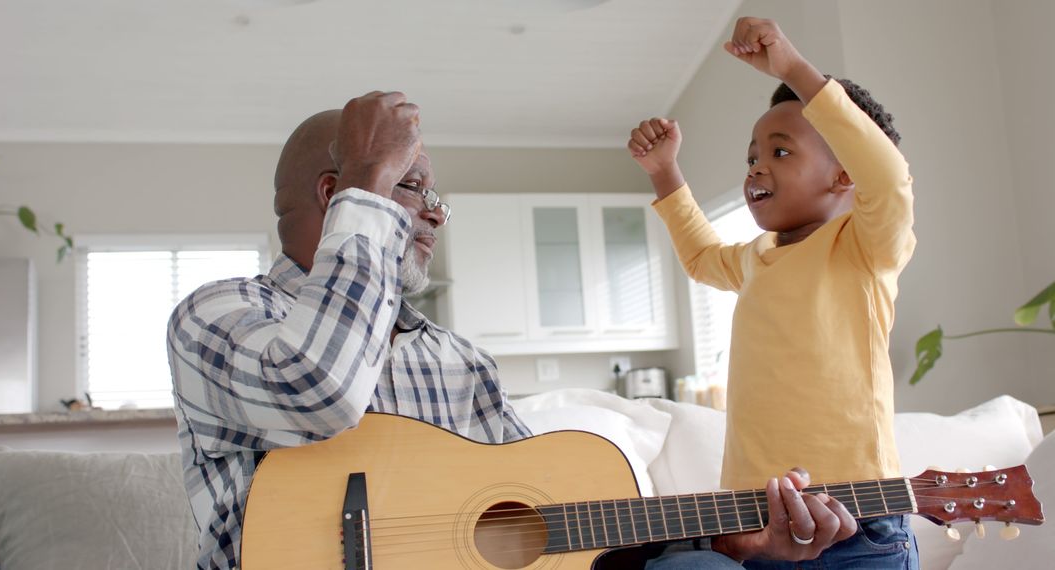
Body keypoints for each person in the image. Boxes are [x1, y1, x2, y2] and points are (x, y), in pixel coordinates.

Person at [167, 90, 853, 569]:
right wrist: (370, 179)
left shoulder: (460, 362)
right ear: (336, 193)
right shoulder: (218, 316)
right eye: (416, 188)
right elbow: (320, 390)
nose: (438, 215)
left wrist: (732, 541)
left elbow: (551, 519)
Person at [630, 17, 919, 569]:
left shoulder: (864, 247)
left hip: (859, 518)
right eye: (751, 156)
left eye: (781, 152)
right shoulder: (756, 258)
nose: (757, 164)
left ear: (843, 176)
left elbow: (888, 176)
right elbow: (698, 256)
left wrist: (792, 68)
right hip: (759, 520)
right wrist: (664, 172)